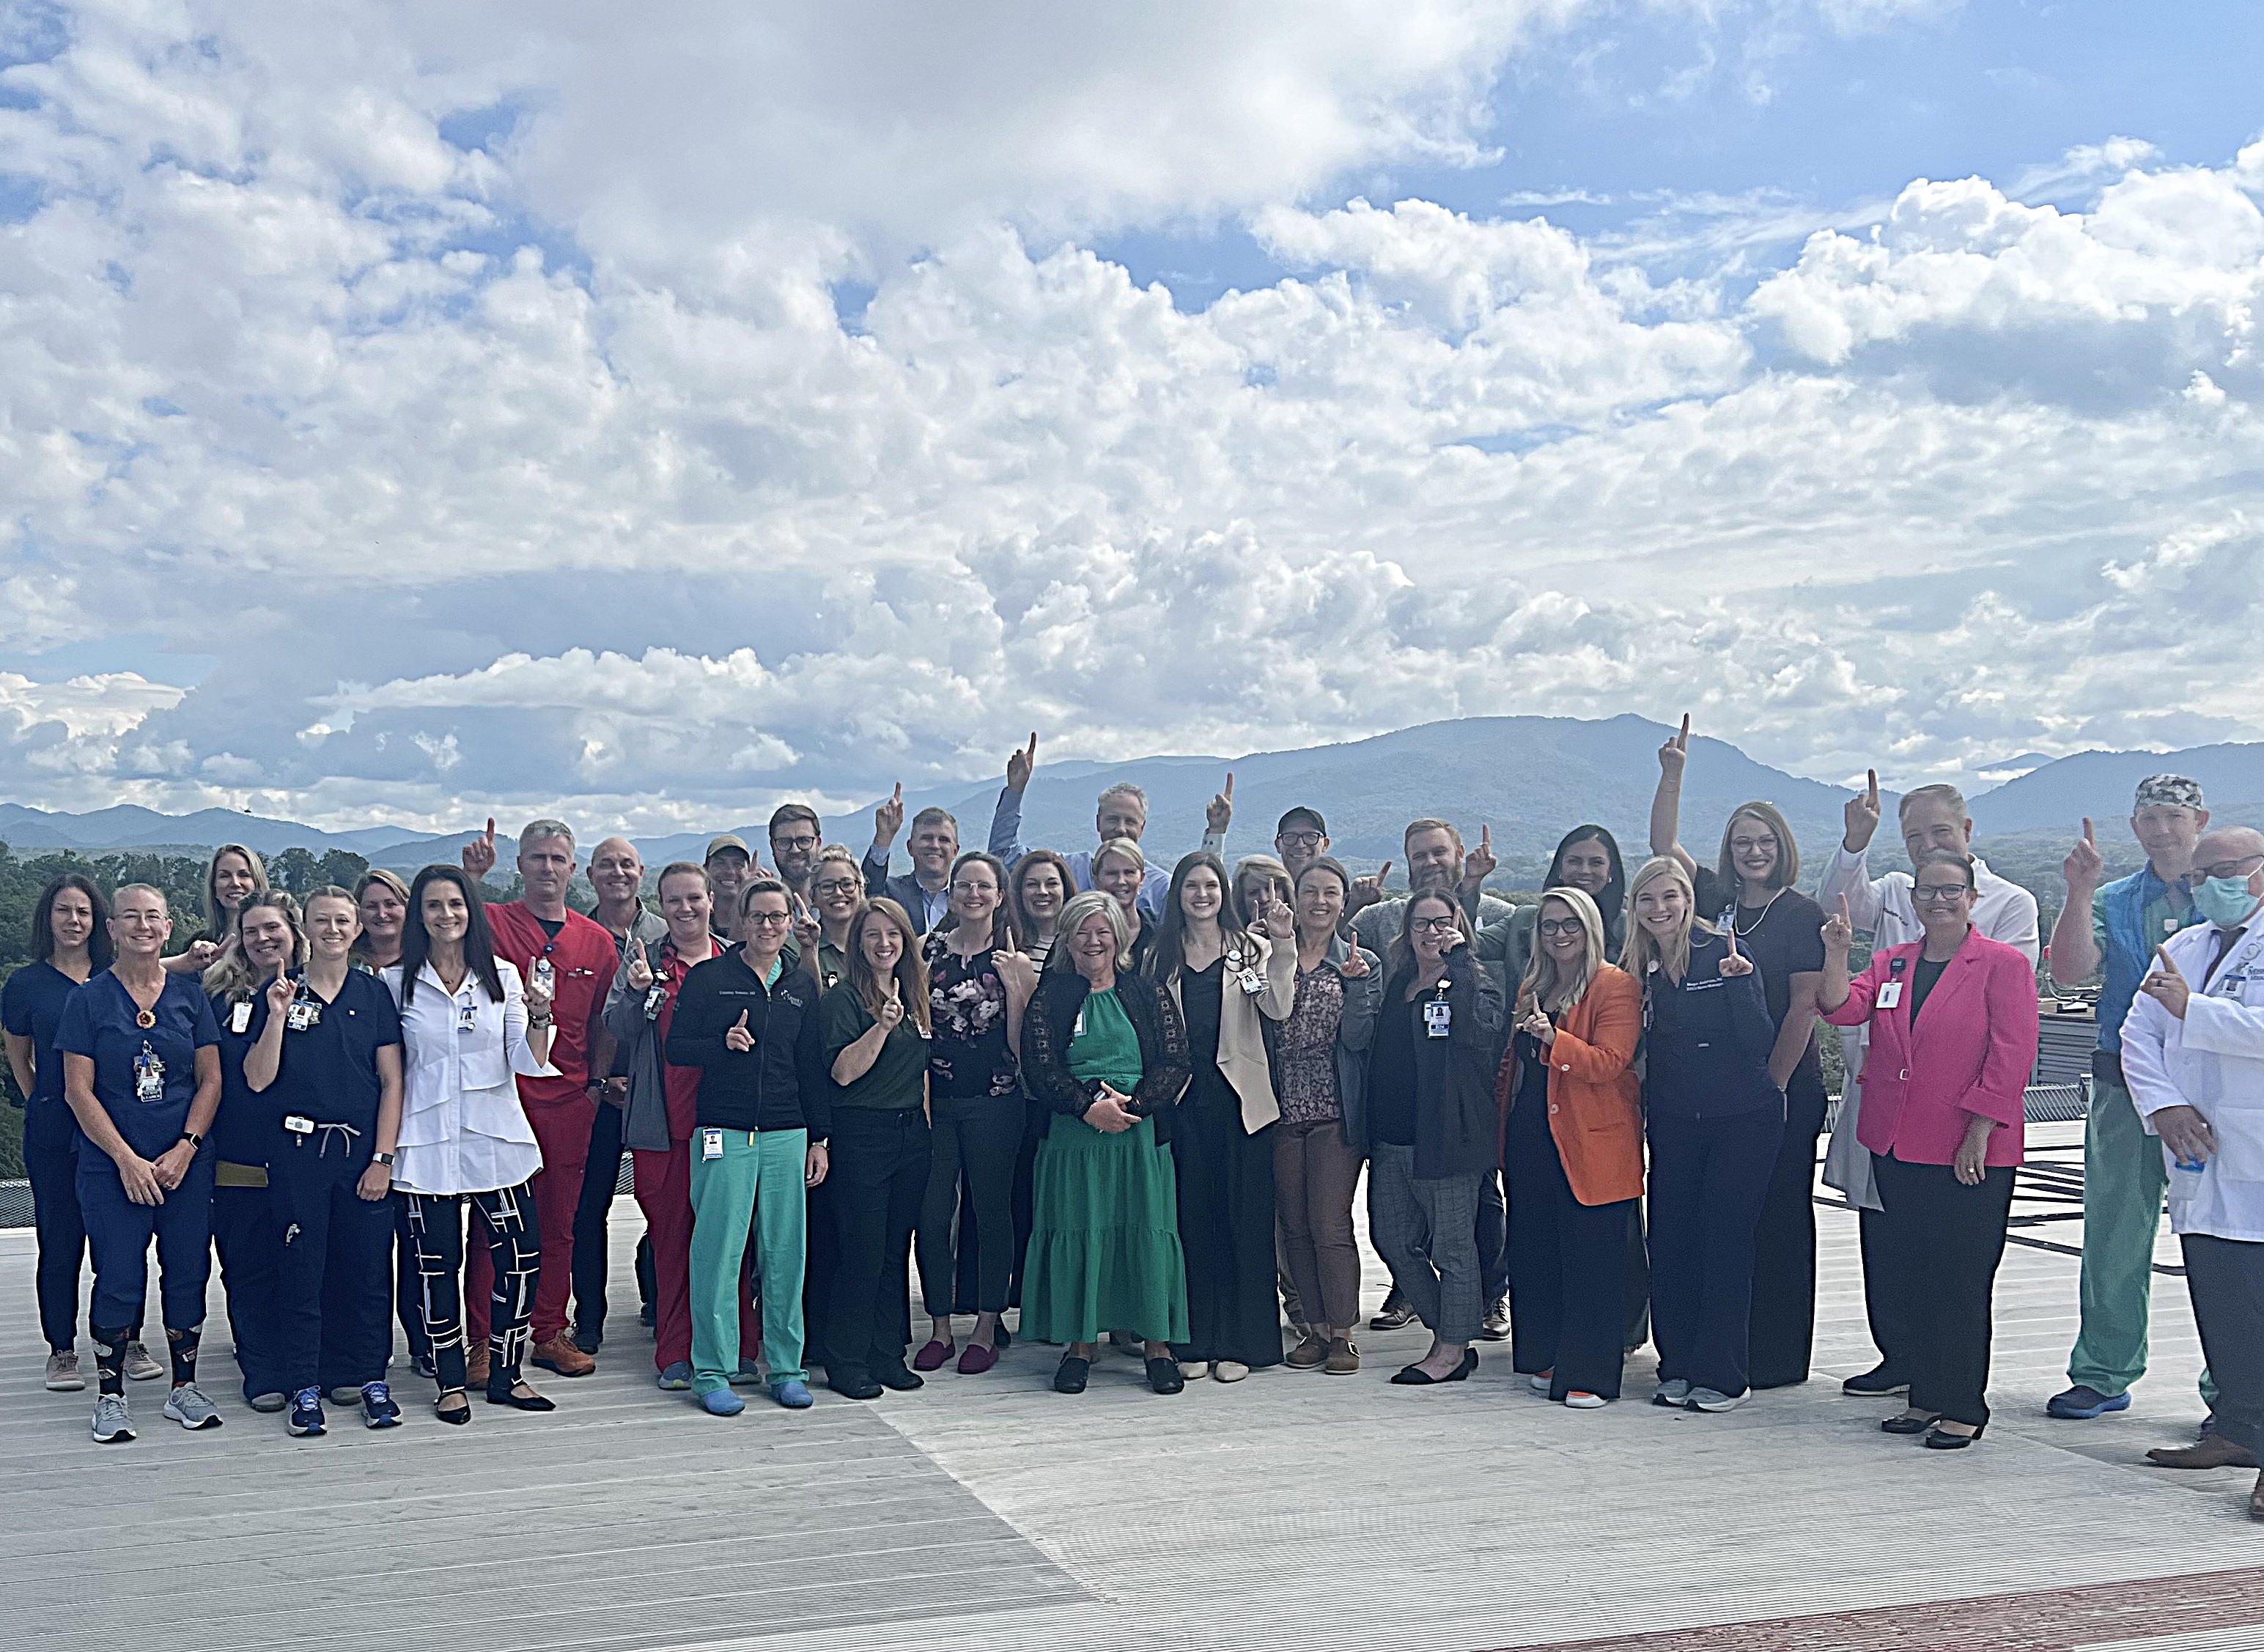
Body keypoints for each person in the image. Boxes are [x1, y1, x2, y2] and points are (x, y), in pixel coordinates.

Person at [1818, 775, 2040, 1398]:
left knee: (1960, 1275)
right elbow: (1840, 996)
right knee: (1901, 1261)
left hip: (1965, 1133)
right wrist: (1838, 944)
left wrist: (1980, 1127)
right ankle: (1915, 1380)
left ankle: (1959, 1401)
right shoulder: (1894, 953)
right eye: (1912, 837)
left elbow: (2011, 1048)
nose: (1936, 896)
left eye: (1938, 834)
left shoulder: (2006, 946)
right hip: (1894, 1126)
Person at [1650, 724, 1832, 1388]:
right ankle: (1723, 1348)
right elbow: (1662, 848)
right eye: (1741, 842)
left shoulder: (1801, 912)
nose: (1752, 852)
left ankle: (1777, 1357)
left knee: (1778, 1215)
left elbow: (1803, 1008)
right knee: (1722, 1224)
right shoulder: (1719, 904)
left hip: (1778, 1089)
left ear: (1782, 849)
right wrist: (1673, 773)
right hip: (1719, 1095)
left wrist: (1770, 1088)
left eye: (1764, 842)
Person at [2046, 776, 2220, 1423]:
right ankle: (2102, 1369)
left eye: (2173, 815)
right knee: (2113, 1230)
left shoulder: (2233, 900)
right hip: (2124, 1082)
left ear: (2198, 819)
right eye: (2148, 817)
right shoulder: (2116, 898)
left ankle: (2232, 1382)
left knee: (2222, 1236)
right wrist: (2078, 890)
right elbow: (2067, 972)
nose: (2161, 828)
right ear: (2133, 826)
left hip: (2216, 1089)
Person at [2121, 825, 2264, 1518]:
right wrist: (2166, 1105)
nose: (2211, 885)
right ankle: (2238, 1427)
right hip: (2199, 1153)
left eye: (2226, 869)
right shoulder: (2183, 945)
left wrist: (2194, 1010)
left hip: (2258, 1150)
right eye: (2200, 876)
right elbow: (2135, 1035)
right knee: (2221, 1295)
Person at [386, 863, 559, 1423]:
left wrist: (540, 1014)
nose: (446, 916)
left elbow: (527, 1060)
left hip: (495, 1137)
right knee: (437, 1266)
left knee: (520, 1257)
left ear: (472, 911)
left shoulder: (504, 977)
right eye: (434, 906)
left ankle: (508, 1372)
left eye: (456, 905)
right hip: (427, 1141)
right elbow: (390, 1071)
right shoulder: (395, 983)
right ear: (420, 915)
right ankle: (449, 1380)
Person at [57, 884, 225, 1442]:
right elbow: (79, 1091)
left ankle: (184, 1387)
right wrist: (126, 1159)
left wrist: (187, 1146)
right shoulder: (87, 999)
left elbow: (211, 1079)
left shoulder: (188, 996)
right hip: (112, 1166)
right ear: (112, 929)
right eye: (130, 916)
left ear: (170, 927)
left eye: (153, 917)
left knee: (187, 1271)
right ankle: (111, 1396)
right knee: (120, 1276)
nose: (142, 926)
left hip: (184, 1162)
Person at [459, 818, 619, 1382]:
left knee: (560, 1223)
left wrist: (596, 1085)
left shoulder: (596, 942)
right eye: (536, 858)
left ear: (573, 869)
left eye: (557, 859)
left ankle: (548, 1330)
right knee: (492, 1223)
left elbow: (605, 1024)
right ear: (519, 865)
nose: (547, 868)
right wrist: (471, 878)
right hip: (503, 1098)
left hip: (569, 1101)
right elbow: (447, 930)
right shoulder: (495, 923)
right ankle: (482, 1340)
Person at [664, 877, 831, 1414]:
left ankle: (785, 1368)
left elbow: (812, 1067)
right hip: (723, 1131)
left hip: (787, 1131)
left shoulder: (800, 984)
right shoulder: (710, 978)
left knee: (785, 1253)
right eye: (757, 916)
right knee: (717, 1251)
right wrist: (722, 1043)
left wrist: (820, 1137)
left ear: (789, 923)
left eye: (776, 917)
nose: (766, 926)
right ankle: (711, 1371)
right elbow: (676, 1048)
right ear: (739, 921)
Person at [243, 887, 406, 1436]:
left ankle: (366, 1376)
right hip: (297, 1155)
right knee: (301, 1268)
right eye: (322, 921)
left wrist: (383, 1158)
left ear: (357, 929)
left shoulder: (374, 993)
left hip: (362, 1153)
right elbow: (258, 1078)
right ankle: (304, 1383)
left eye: (343, 921)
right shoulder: (282, 992)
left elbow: (392, 1080)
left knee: (365, 1269)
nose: (333, 929)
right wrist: (276, 1016)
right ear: (304, 927)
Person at [1623, 856, 1781, 1413]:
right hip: (1673, 1120)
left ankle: (1723, 1374)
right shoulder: (1635, 966)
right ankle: (1678, 1365)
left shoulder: (1726, 955)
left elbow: (1759, 1039)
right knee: (1669, 1241)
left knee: (1723, 1242)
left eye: (1668, 896)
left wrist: (1740, 988)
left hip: (1741, 1118)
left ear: (1688, 900)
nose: (1658, 908)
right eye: (1647, 899)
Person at [1019, 890, 1192, 1395]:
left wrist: (1133, 1106)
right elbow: (1039, 1065)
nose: (1093, 941)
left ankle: (1157, 1347)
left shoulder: (1145, 990)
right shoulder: (1050, 995)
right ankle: (1080, 1345)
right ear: (1067, 941)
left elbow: (1175, 1059)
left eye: (1102, 931)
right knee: (1080, 1229)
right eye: (1081, 931)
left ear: (1118, 937)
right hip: (1074, 1137)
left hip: (1138, 1138)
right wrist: (1089, 1107)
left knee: (1146, 1230)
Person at [1351, 820, 1516, 1337]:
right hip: (1392, 1136)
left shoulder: (1472, 980)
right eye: (1421, 925)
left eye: (1441, 924)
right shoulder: (1398, 979)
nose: (1431, 933)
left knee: (1453, 1244)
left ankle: (1453, 1342)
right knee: (1393, 1240)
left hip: (1446, 1136)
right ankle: (1450, 1324)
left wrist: (1459, 958)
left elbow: (1480, 1029)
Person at [1146, 851, 1295, 1380]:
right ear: (1177, 896)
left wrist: (1281, 945)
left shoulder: (1247, 951)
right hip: (1182, 1102)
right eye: (1191, 886)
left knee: (1244, 1221)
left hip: (1240, 1102)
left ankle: (1242, 1343)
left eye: (1211, 885)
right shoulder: (1159, 956)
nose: (1202, 895)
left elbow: (1275, 1007)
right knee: (1189, 1220)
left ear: (1223, 893)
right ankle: (1192, 1341)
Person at [5, 875, 151, 1392]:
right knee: (61, 1240)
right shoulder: (27, 984)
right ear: (48, 918)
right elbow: (17, 1050)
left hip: (119, 1125)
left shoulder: (117, 977)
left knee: (124, 1237)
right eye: (63, 911)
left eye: (84, 912)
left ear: (99, 922)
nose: (73, 921)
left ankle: (128, 1338)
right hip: (53, 1131)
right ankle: (62, 1349)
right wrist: (41, 1097)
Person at [1500, 885, 1642, 1407]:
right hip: (1531, 1136)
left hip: (1592, 1140)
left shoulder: (1615, 986)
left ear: (1590, 929)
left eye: (1570, 925)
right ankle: (1549, 1355)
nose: (1559, 934)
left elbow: (1610, 1062)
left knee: (1592, 1261)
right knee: (1539, 1254)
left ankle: (1593, 1375)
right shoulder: (1533, 986)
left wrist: (1551, 1039)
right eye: (1549, 925)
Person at [611, 864, 736, 1393]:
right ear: (659, 905)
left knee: (730, 1243)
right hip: (662, 1125)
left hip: (725, 1124)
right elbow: (614, 1029)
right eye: (672, 901)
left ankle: (733, 1347)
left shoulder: (735, 960)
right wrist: (640, 995)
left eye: (694, 898)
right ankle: (675, 1351)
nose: (685, 909)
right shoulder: (644, 962)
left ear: (711, 899)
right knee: (671, 1241)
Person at [913, 852, 1038, 1373]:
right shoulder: (925, 953)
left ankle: (987, 1323)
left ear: (999, 896)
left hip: (996, 1101)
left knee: (991, 1213)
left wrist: (1015, 991)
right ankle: (940, 1325)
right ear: (950, 893)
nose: (972, 895)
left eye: (983, 887)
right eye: (963, 885)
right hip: (936, 1103)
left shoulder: (1015, 958)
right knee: (932, 1214)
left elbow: (1022, 1046)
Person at [820, 897, 935, 1398]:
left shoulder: (915, 994)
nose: (884, 943)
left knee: (895, 1250)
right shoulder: (844, 999)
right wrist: (882, 1027)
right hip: (861, 1134)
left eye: (893, 934)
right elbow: (842, 1073)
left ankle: (887, 1353)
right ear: (858, 944)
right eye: (873, 935)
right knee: (862, 1251)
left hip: (912, 1134)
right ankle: (845, 1360)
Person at [1276, 858, 1380, 1375]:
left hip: (1335, 1108)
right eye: (1309, 891)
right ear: (1295, 899)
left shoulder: (1361, 961)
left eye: (1330, 893)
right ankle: (1313, 1329)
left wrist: (1358, 985)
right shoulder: (1274, 955)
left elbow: (1360, 1039)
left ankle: (1342, 1333)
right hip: (1278, 1108)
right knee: (1293, 1226)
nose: (1319, 901)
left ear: (1344, 903)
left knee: (1329, 1221)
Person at [204, 892, 306, 1414]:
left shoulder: (322, 991)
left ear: (295, 930)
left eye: (274, 928)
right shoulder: (223, 999)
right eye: (251, 931)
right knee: (246, 1267)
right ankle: (261, 1366)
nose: (263, 939)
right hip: (238, 1157)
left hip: (305, 1159)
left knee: (304, 1268)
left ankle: (304, 1362)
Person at [570, 836, 668, 1358]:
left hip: (659, 1094)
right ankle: (588, 1318)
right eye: (606, 865)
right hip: (599, 1093)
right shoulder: (577, 935)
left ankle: (657, 1298)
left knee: (666, 1205)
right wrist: (599, 1082)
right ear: (589, 874)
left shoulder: (667, 933)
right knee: (590, 1209)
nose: (617, 873)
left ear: (641, 872)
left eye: (626, 864)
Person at [985, 733, 1225, 919]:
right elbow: (1004, 857)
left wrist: (1215, 834)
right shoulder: (1069, 870)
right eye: (1113, 819)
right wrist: (1015, 792)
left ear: (1142, 828)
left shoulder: (1159, 886)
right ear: (1099, 823)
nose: (1121, 828)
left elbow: (1198, 909)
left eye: (1130, 821)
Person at [351, 868, 429, 1377]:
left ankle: (425, 1342)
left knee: (421, 1246)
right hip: (363, 1121)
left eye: (392, 904)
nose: (382, 914)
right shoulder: (341, 967)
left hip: (421, 1118)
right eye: (371, 905)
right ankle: (366, 1349)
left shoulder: (427, 968)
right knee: (367, 1249)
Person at [163, 843, 269, 975]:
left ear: (257, 884)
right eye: (225, 876)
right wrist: (186, 962)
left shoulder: (272, 941)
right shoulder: (200, 943)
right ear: (214, 889)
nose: (235, 883)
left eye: (244, 875)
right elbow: (148, 972)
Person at [863, 792, 958, 935]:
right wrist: (884, 837)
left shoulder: (967, 896)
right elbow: (867, 892)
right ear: (910, 847)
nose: (935, 845)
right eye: (926, 838)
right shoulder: (891, 891)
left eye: (944, 840)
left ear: (955, 851)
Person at [1093, 838, 1156, 973]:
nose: (1121, 881)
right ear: (1097, 880)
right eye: (1112, 874)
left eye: (1129, 873)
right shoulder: (1079, 936)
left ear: (1142, 879)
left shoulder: (1158, 938)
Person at [1009, 849, 1073, 967]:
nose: (1042, 892)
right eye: (1032, 884)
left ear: (1065, 890)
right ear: (1019, 893)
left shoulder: (1081, 944)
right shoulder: (1006, 944)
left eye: (1052, 884)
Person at [768, 803, 827, 910]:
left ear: (818, 844)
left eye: (804, 840)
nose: (795, 850)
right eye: (785, 842)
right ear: (773, 846)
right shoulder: (763, 912)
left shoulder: (839, 907)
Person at [704, 834, 757, 944]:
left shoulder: (760, 922)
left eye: (738, 864)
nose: (730, 871)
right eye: (720, 864)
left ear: (749, 871)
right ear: (705, 870)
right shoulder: (695, 921)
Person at [1231, 855, 1294, 931]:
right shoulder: (1229, 938)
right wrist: (1249, 940)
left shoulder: (1306, 931)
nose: (1264, 899)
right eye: (1253, 892)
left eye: (1270, 889)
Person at [1273, 808, 1332, 885]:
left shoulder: (1340, 893)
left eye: (1310, 836)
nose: (1300, 845)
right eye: (1291, 837)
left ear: (1325, 844)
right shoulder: (1262, 892)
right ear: (1278, 845)